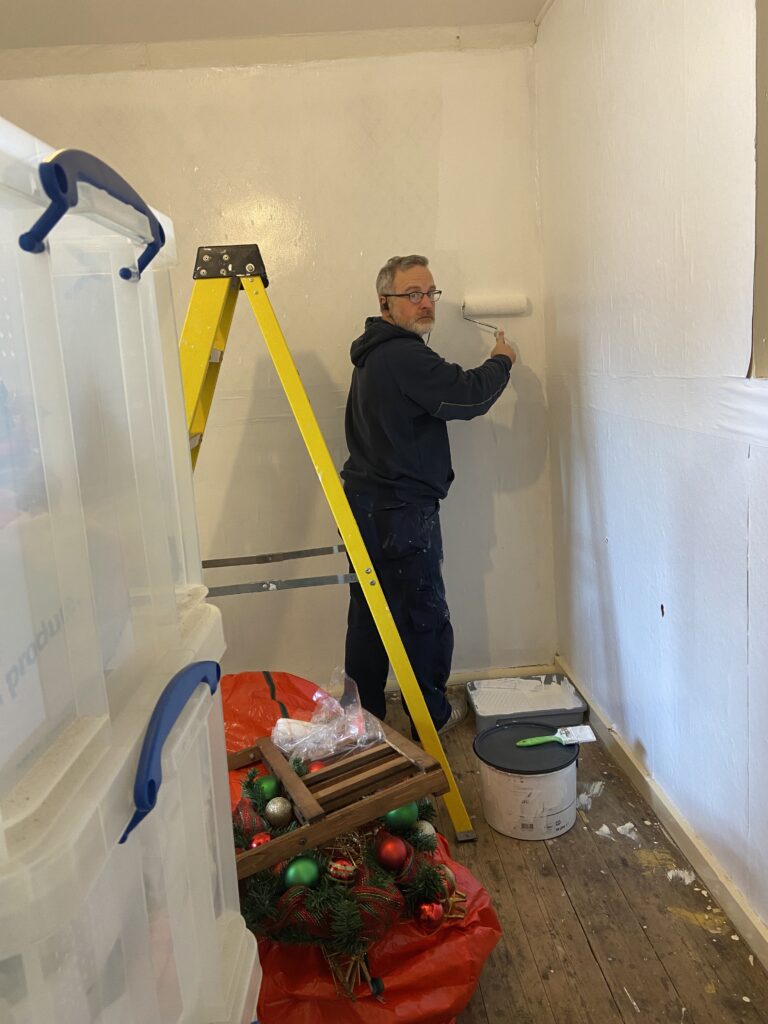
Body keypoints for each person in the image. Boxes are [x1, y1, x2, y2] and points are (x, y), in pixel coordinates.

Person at [341, 254, 517, 734]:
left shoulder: (375, 354)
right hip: (398, 511)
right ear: (386, 303)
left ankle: (363, 717)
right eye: (413, 295)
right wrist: (502, 360)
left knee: (371, 615)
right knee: (422, 614)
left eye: (430, 293)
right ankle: (430, 717)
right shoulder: (402, 354)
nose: (425, 304)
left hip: (367, 505)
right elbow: (466, 395)